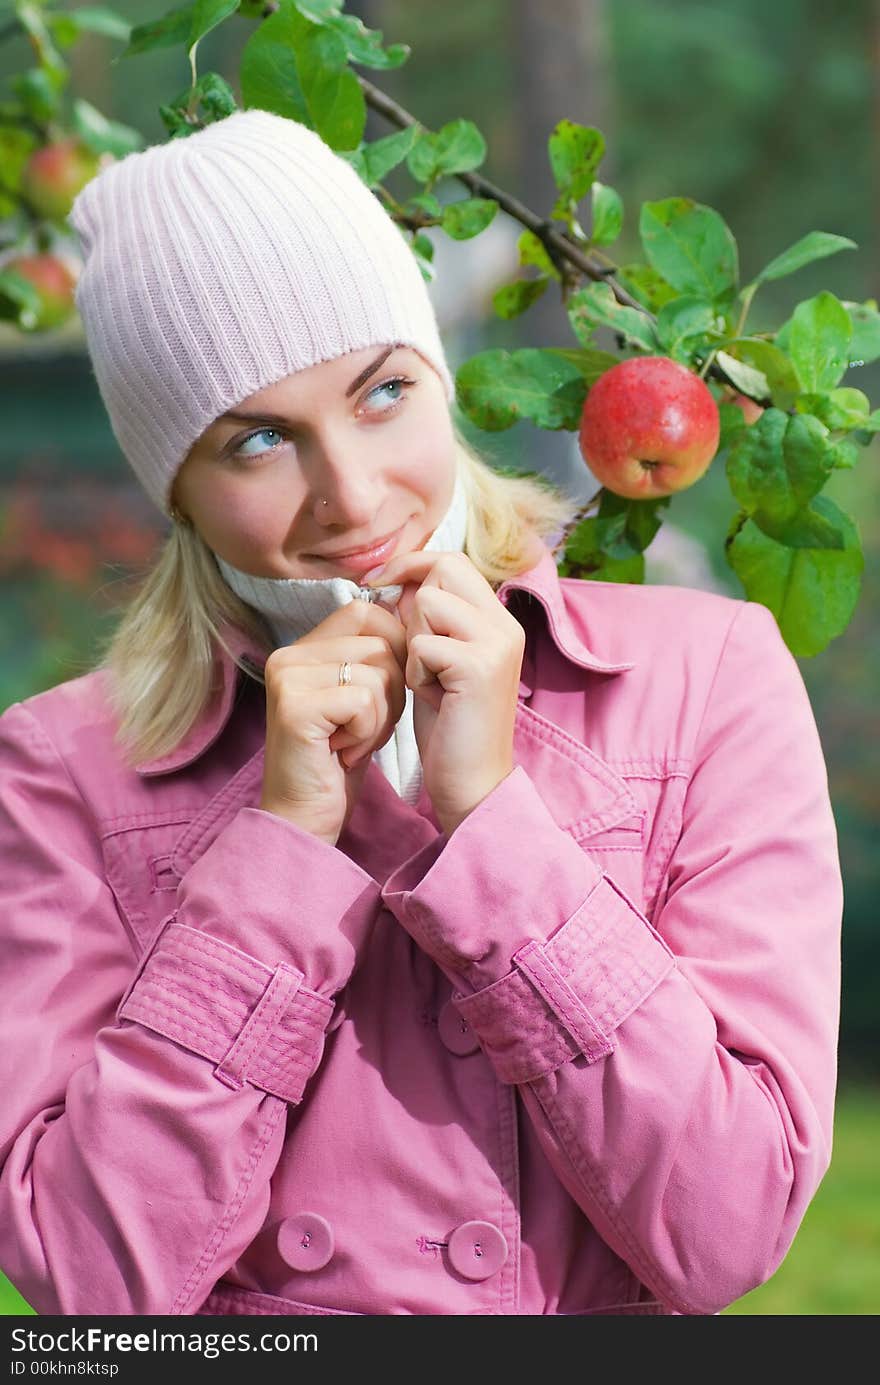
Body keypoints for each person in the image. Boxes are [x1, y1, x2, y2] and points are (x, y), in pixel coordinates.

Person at [0, 109, 842, 1319]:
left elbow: (726, 1227)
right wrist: (284, 845)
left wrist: (492, 818)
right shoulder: (66, 765)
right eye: (257, 441)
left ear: (438, 379)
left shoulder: (705, 674)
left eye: (383, 392)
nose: (351, 492)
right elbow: (92, 1282)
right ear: (173, 488)